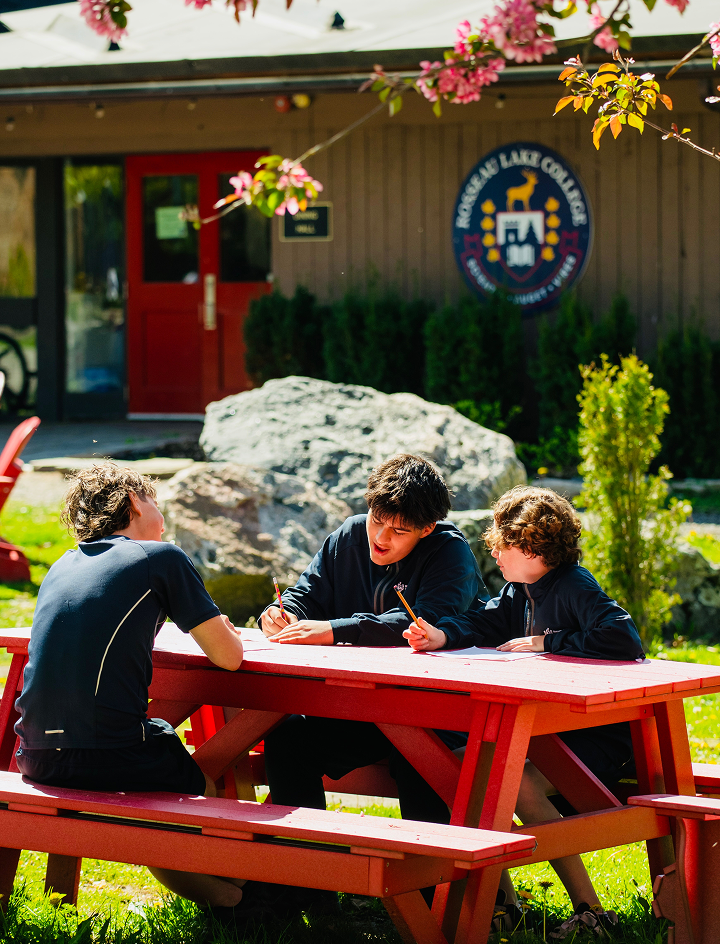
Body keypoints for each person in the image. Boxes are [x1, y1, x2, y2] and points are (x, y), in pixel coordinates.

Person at [403, 484, 644, 934]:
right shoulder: (520, 591)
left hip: (599, 740)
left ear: (532, 547)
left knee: (512, 780)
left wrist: (548, 642)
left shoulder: (573, 585)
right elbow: (481, 620)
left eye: (502, 544)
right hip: (551, 737)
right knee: (459, 765)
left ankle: (590, 910)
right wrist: (439, 635)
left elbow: (624, 638)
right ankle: (500, 903)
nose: (494, 553)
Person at [14, 464, 248, 916]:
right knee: (194, 783)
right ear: (135, 502)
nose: (162, 517)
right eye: (156, 503)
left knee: (155, 751)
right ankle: (242, 891)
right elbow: (229, 657)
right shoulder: (159, 557)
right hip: (108, 751)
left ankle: (229, 896)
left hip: (37, 755)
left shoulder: (64, 564)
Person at [259, 454, 487, 911]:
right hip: (362, 708)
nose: (380, 538)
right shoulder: (348, 534)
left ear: (426, 529)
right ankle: (306, 888)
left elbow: (419, 622)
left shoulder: (450, 553)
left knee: (420, 756)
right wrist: (285, 615)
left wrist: (334, 629)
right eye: (378, 521)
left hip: (440, 710)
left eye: (398, 531)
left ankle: (433, 902)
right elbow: (307, 592)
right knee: (288, 741)